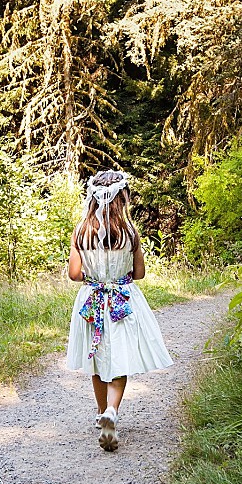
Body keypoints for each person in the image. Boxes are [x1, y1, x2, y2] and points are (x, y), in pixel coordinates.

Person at [66, 170, 174, 451]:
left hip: (92, 301)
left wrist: (94, 274)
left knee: (96, 359)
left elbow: (74, 274)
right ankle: (112, 410)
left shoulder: (80, 232)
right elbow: (139, 273)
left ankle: (102, 411)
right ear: (121, 199)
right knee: (120, 360)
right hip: (122, 301)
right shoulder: (130, 233)